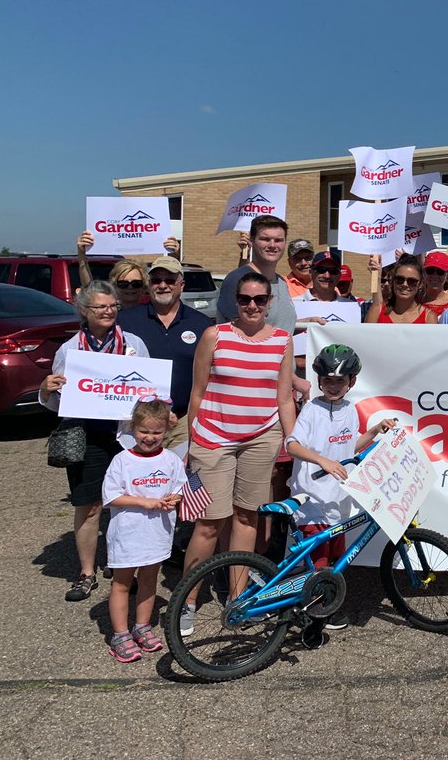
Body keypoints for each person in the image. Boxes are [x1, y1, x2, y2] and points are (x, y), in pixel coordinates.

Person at [179, 271, 298, 635]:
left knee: (248, 518)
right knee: (209, 523)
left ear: (269, 302)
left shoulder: (281, 340)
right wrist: (191, 441)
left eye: (259, 300)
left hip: (261, 438)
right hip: (214, 438)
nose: (251, 306)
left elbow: (283, 398)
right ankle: (188, 600)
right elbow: (197, 391)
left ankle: (237, 598)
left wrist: (291, 440)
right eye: (245, 299)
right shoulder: (215, 335)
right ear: (234, 301)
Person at [39, 280, 151, 602]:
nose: (108, 311)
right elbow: (59, 403)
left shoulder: (134, 345)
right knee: (89, 507)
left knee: (128, 504)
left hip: (127, 436)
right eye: (100, 306)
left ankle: (123, 565)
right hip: (86, 436)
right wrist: (46, 390)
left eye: (113, 305)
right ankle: (87, 572)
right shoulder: (70, 350)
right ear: (84, 311)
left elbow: (149, 392)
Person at [285, 345, 398, 629]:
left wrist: (374, 432)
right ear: (320, 381)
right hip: (311, 499)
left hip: (338, 499)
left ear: (352, 382)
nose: (333, 387)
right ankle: (314, 614)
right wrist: (322, 460)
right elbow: (292, 445)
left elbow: (350, 444)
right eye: (328, 381)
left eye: (340, 381)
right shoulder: (311, 409)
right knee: (319, 561)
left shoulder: (349, 409)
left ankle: (325, 605)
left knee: (336, 558)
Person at [101, 399, 186, 662]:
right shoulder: (122, 460)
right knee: (122, 583)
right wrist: (144, 501)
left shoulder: (171, 459)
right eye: (144, 432)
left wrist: (175, 498)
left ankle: (142, 626)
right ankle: (120, 634)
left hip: (157, 534)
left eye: (156, 432)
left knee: (149, 581)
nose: (149, 438)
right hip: (128, 534)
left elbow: (180, 488)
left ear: (166, 431)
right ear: (133, 429)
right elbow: (111, 496)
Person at [117, 256, 213, 451]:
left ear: (181, 285)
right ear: (149, 285)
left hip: (183, 422)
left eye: (169, 280)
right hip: (136, 424)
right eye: (156, 280)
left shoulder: (202, 324)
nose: (162, 285)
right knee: (141, 479)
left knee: (181, 478)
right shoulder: (125, 321)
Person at [216, 214, 309, 402]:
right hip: (249, 387)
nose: (272, 245)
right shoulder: (238, 280)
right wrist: (293, 379)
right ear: (252, 241)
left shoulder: (282, 281)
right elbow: (242, 338)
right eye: (265, 239)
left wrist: (305, 323)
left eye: (278, 240)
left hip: (280, 388)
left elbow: (278, 326)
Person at [75, 231, 179, 290]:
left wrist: (173, 252)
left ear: (144, 285)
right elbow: (89, 287)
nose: (130, 288)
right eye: (123, 284)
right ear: (114, 284)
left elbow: (173, 282)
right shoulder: (110, 310)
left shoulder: (153, 309)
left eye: (136, 283)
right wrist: (81, 253)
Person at [366, 254, 438, 324]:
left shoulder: (429, 318)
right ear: (393, 281)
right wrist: (375, 275)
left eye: (412, 281)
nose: (405, 284)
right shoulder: (377, 311)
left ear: (420, 284)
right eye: (400, 279)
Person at [421, 251, 448, 318]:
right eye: (430, 270)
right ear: (423, 273)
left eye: (440, 272)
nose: (435, 275)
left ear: (447, 275)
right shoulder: (414, 303)